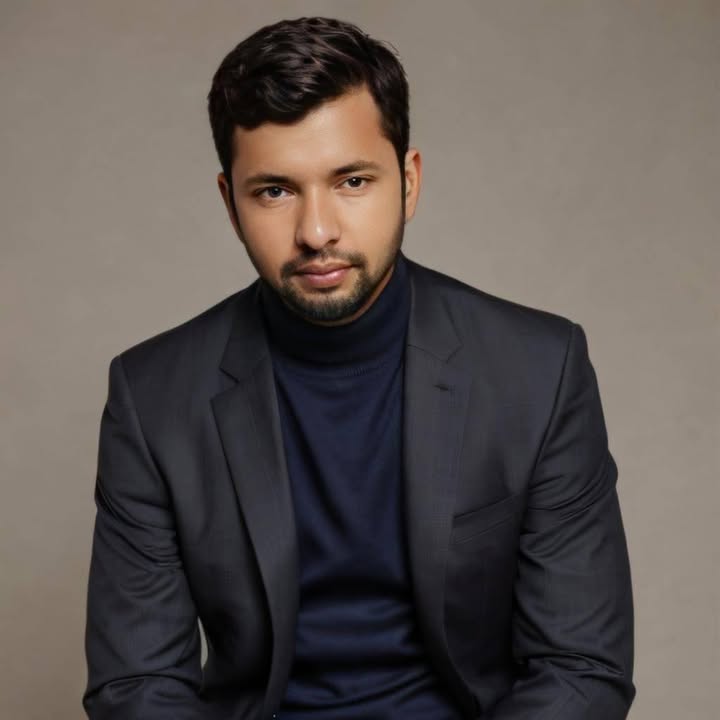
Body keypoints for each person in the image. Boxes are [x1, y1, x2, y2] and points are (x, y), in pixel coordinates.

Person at [82, 16, 634, 720]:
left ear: (408, 181)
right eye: (274, 191)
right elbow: (136, 687)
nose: (317, 231)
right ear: (230, 204)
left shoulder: (538, 371)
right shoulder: (153, 397)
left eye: (352, 180)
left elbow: (581, 669)